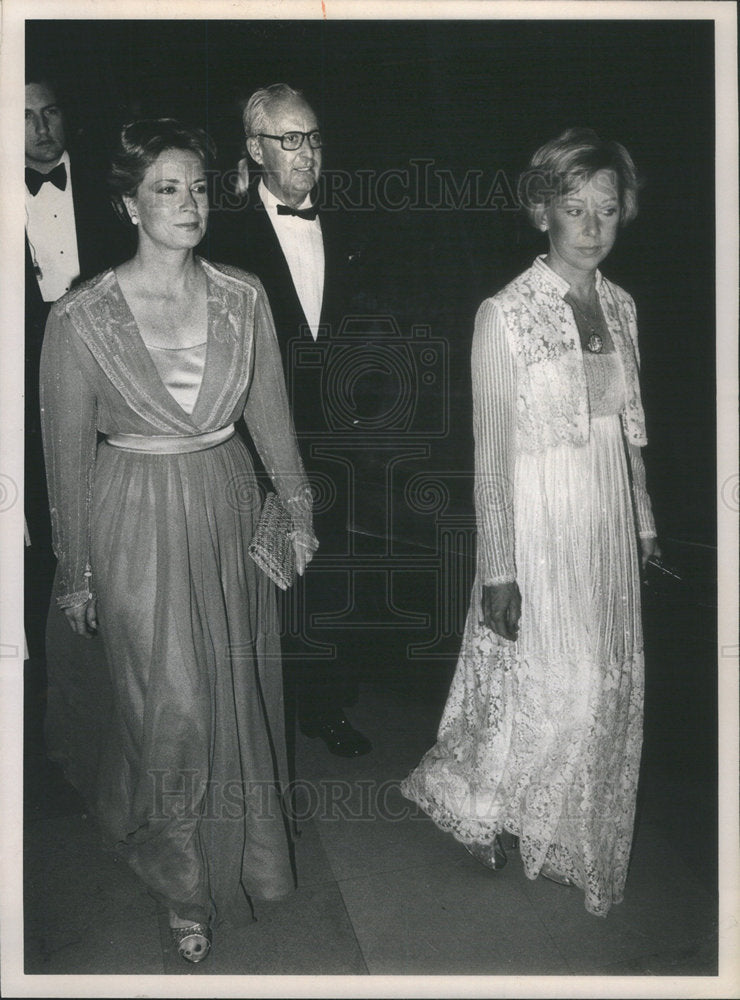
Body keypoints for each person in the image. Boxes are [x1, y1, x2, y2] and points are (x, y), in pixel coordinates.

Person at [40, 118, 317, 962]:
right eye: (167, 188)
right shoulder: (82, 315)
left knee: (234, 701)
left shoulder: (242, 295)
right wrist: (75, 569)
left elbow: (270, 416)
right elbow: (64, 455)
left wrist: (298, 510)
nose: (188, 202)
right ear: (128, 202)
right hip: (132, 517)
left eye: (198, 186)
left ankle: (240, 858)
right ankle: (181, 885)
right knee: (172, 711)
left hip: (230, 510)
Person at [401, 128, 659, 918]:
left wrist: (644, 524)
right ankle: (472, 799)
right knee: (544, 688)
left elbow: (630, 430)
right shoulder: (504, 314)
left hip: (605, 529)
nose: (591, 225)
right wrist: (499, 568)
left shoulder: (621, 304)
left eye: (607, 209)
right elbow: (490, 454)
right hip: (536, 528)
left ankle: (563, 831)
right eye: (574, 207)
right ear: (541, 208)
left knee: (602, 688)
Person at [211, 83, 372, 758]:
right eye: (289, 139)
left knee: (327, 572)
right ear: (255, 150)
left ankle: (323, 706)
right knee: (258, 577)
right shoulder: (223, 232)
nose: (307, 154)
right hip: (253, 441)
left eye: (313, 137)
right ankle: (254, 721)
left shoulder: (356, 221)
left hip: (337, 437)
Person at [24, 71, 129, 658]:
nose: (43, 128)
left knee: (113, 522)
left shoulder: (107, 191)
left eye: (51, 112)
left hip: (106, 378)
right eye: (26, 116)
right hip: (25, 390)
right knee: (42, 529)